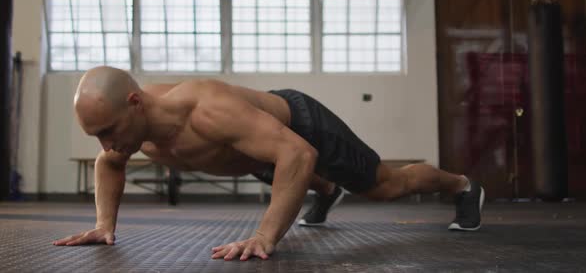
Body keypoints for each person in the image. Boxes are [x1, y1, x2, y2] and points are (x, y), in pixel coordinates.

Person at [53, 66, 485, 261]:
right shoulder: (133, 131)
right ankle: (325, 191)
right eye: (98, 136)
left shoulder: (207, 111)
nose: (107, 144)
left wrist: (264, 235)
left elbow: (297, 153)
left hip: (303, 125)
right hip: (251, 152)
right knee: (281, 164)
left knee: (385, 184)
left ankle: (463, 186)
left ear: (134, 103)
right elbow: (110, 164)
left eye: (108, 131)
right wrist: (105, 224)